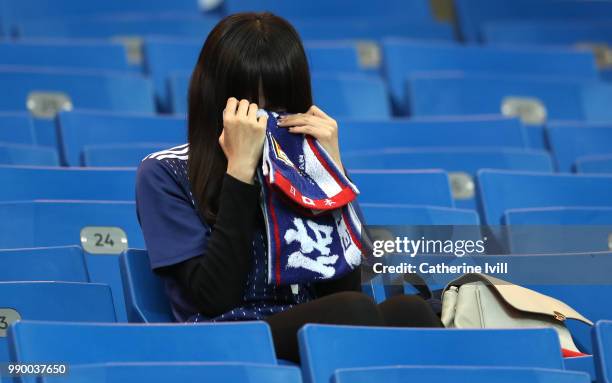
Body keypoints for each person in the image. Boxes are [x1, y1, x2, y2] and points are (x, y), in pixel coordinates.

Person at [136, 12, 442, 363]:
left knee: (410, 313)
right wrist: (240, 172)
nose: (266, 121)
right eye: (250, 108)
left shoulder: (302, 165)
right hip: (222, 335)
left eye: (278, 108)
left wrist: (331, 176)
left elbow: (341, 286)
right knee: (352, 313)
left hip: (320, 319)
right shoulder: (164, 172)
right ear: (215, 100)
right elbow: (213, 298)